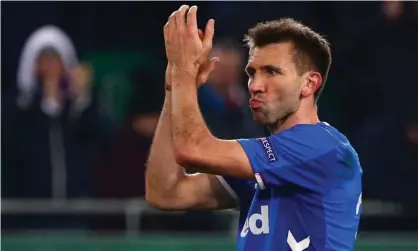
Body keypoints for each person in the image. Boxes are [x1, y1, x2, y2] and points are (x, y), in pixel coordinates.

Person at [146, 5, 362, 251]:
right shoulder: (267, 163)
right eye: (252, 73)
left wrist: (183, 72)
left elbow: (192, 150)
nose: (255, 85)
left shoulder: (322, 146)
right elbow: (165, 192)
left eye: (271, 72)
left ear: (309, 84)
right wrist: (174, 87)